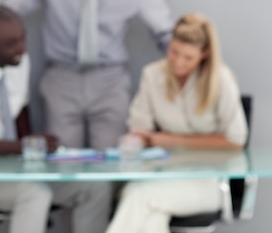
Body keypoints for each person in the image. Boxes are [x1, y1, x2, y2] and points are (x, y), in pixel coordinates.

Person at [5, 0, 174, 151]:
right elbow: (10, 15)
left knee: (112, 158)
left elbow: (165, 33)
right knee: (62, 159)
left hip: (111, 81)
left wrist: (187, 70)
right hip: (61, 77)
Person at [0, 4, 113, 233]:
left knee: (95, 187)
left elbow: (19, 113)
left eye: (22, 39)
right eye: (11, 43)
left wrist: (34, 145)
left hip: (16, 169)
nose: (22, 48)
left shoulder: (18, 60)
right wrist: (20, 146)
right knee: (35, 194)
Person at [106, 13, 248, 233]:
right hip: (161, 175)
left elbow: (236, 140)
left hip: (207, 182)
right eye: (174, 52)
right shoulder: (153, 75)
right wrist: (137, 139)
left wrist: (173, 141)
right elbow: (139, 126)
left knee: (138, 195)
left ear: (205, 53)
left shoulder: (220, 78)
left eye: (188, 57)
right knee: (150, 218)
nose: (178, 62)